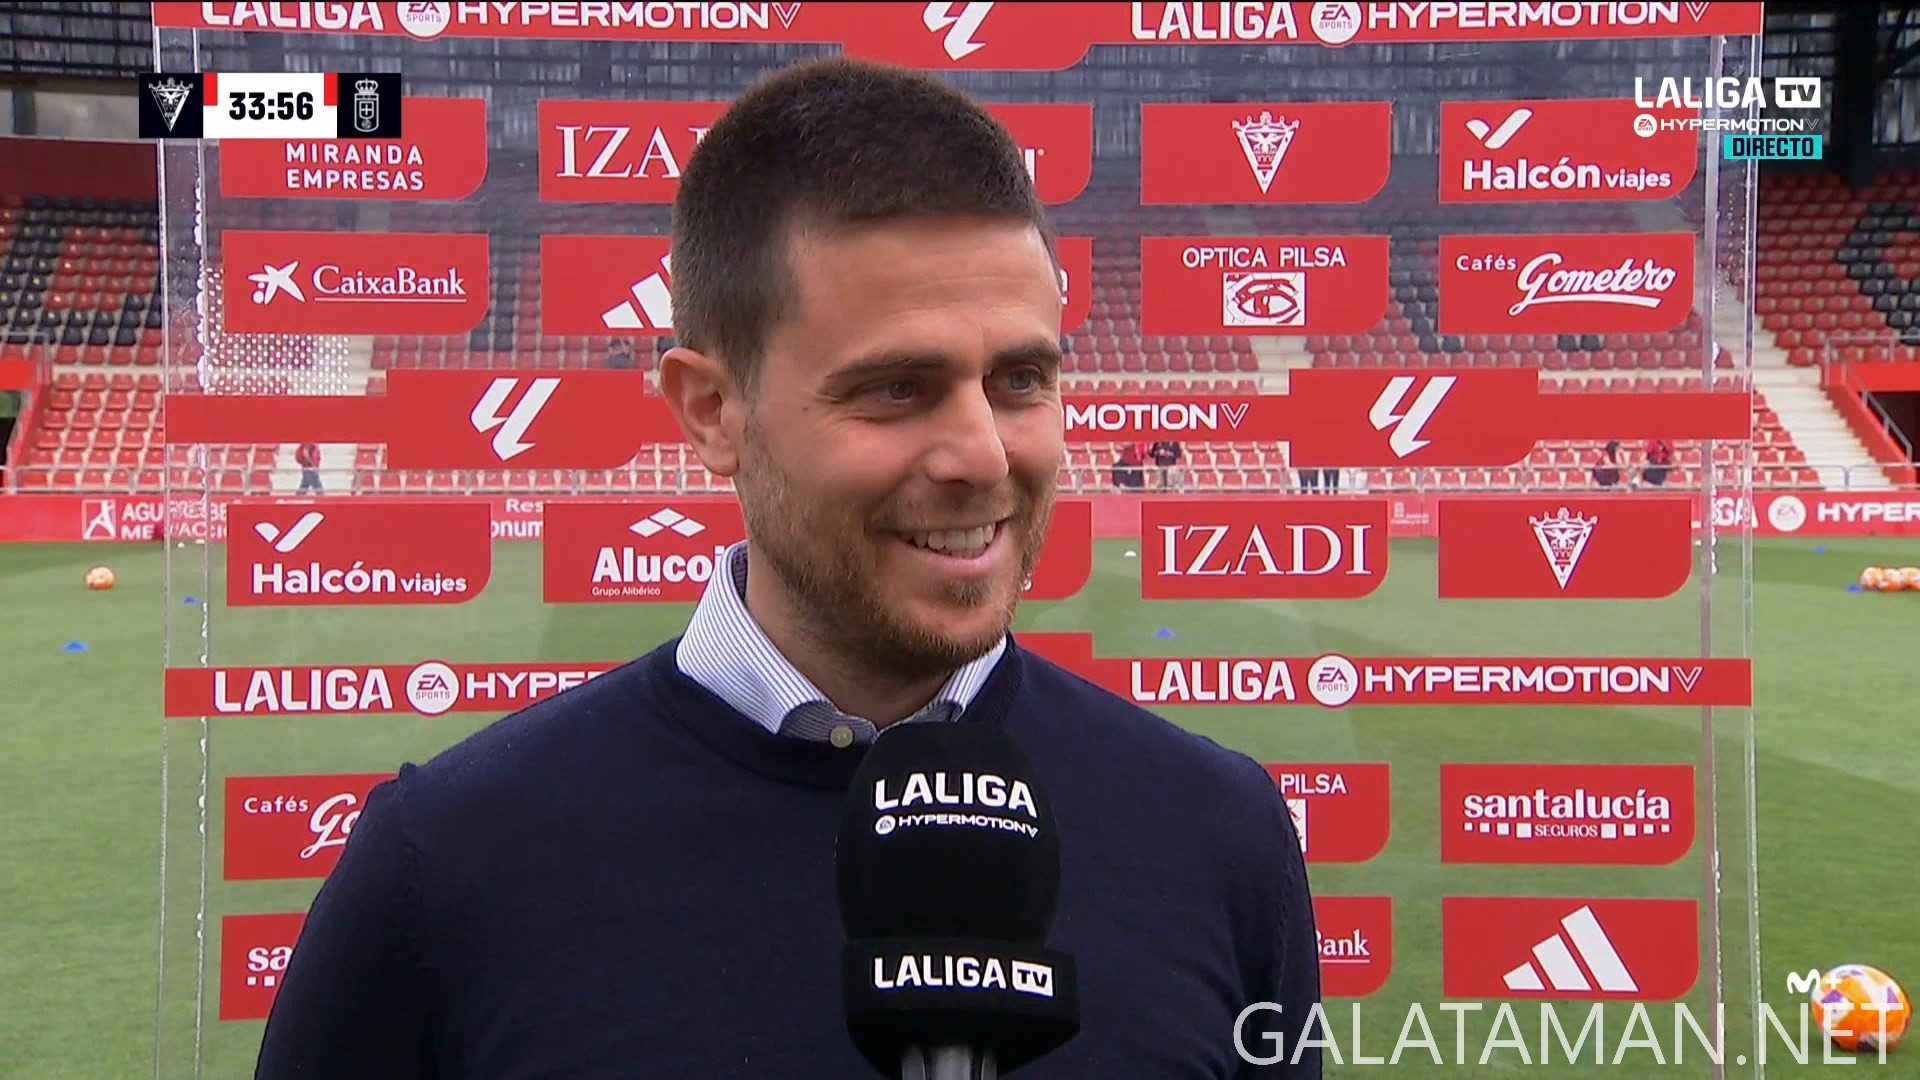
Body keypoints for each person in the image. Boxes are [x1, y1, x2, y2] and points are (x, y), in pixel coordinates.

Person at [252, 57, 1319, 1079]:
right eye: (898, 388)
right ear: (713, 411)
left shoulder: (1222, 836)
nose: (985, 455)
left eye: (1021, 380)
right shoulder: (444, 868)